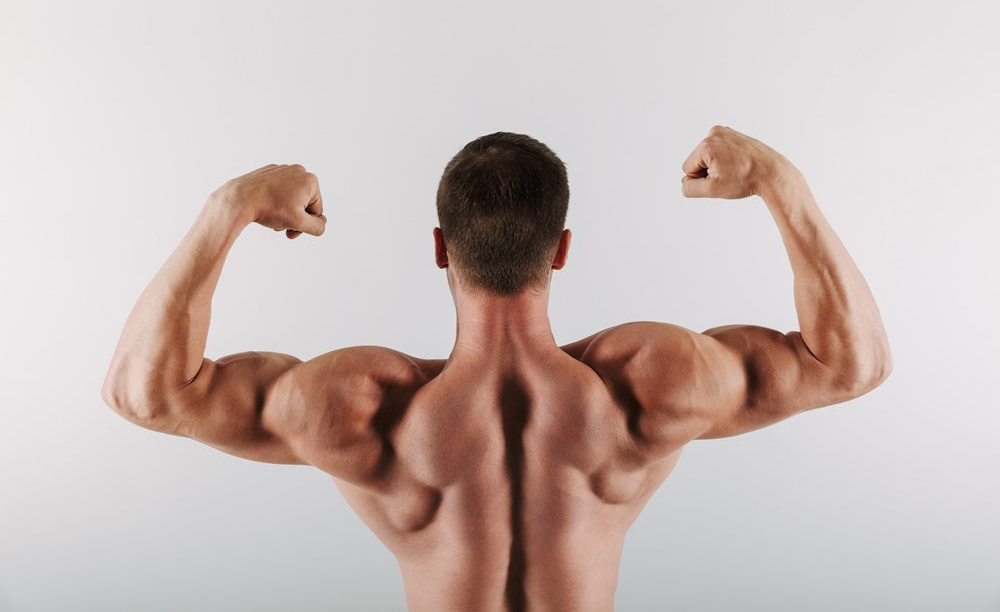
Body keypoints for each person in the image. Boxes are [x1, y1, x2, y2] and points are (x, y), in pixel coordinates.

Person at [101, 126, 892, 610]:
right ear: (562, 248)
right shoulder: (650, 384)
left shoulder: (360, 407)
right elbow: (852, 363)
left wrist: (230, 206)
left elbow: (144, 393)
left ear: (440, 248)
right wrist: (780, 183)